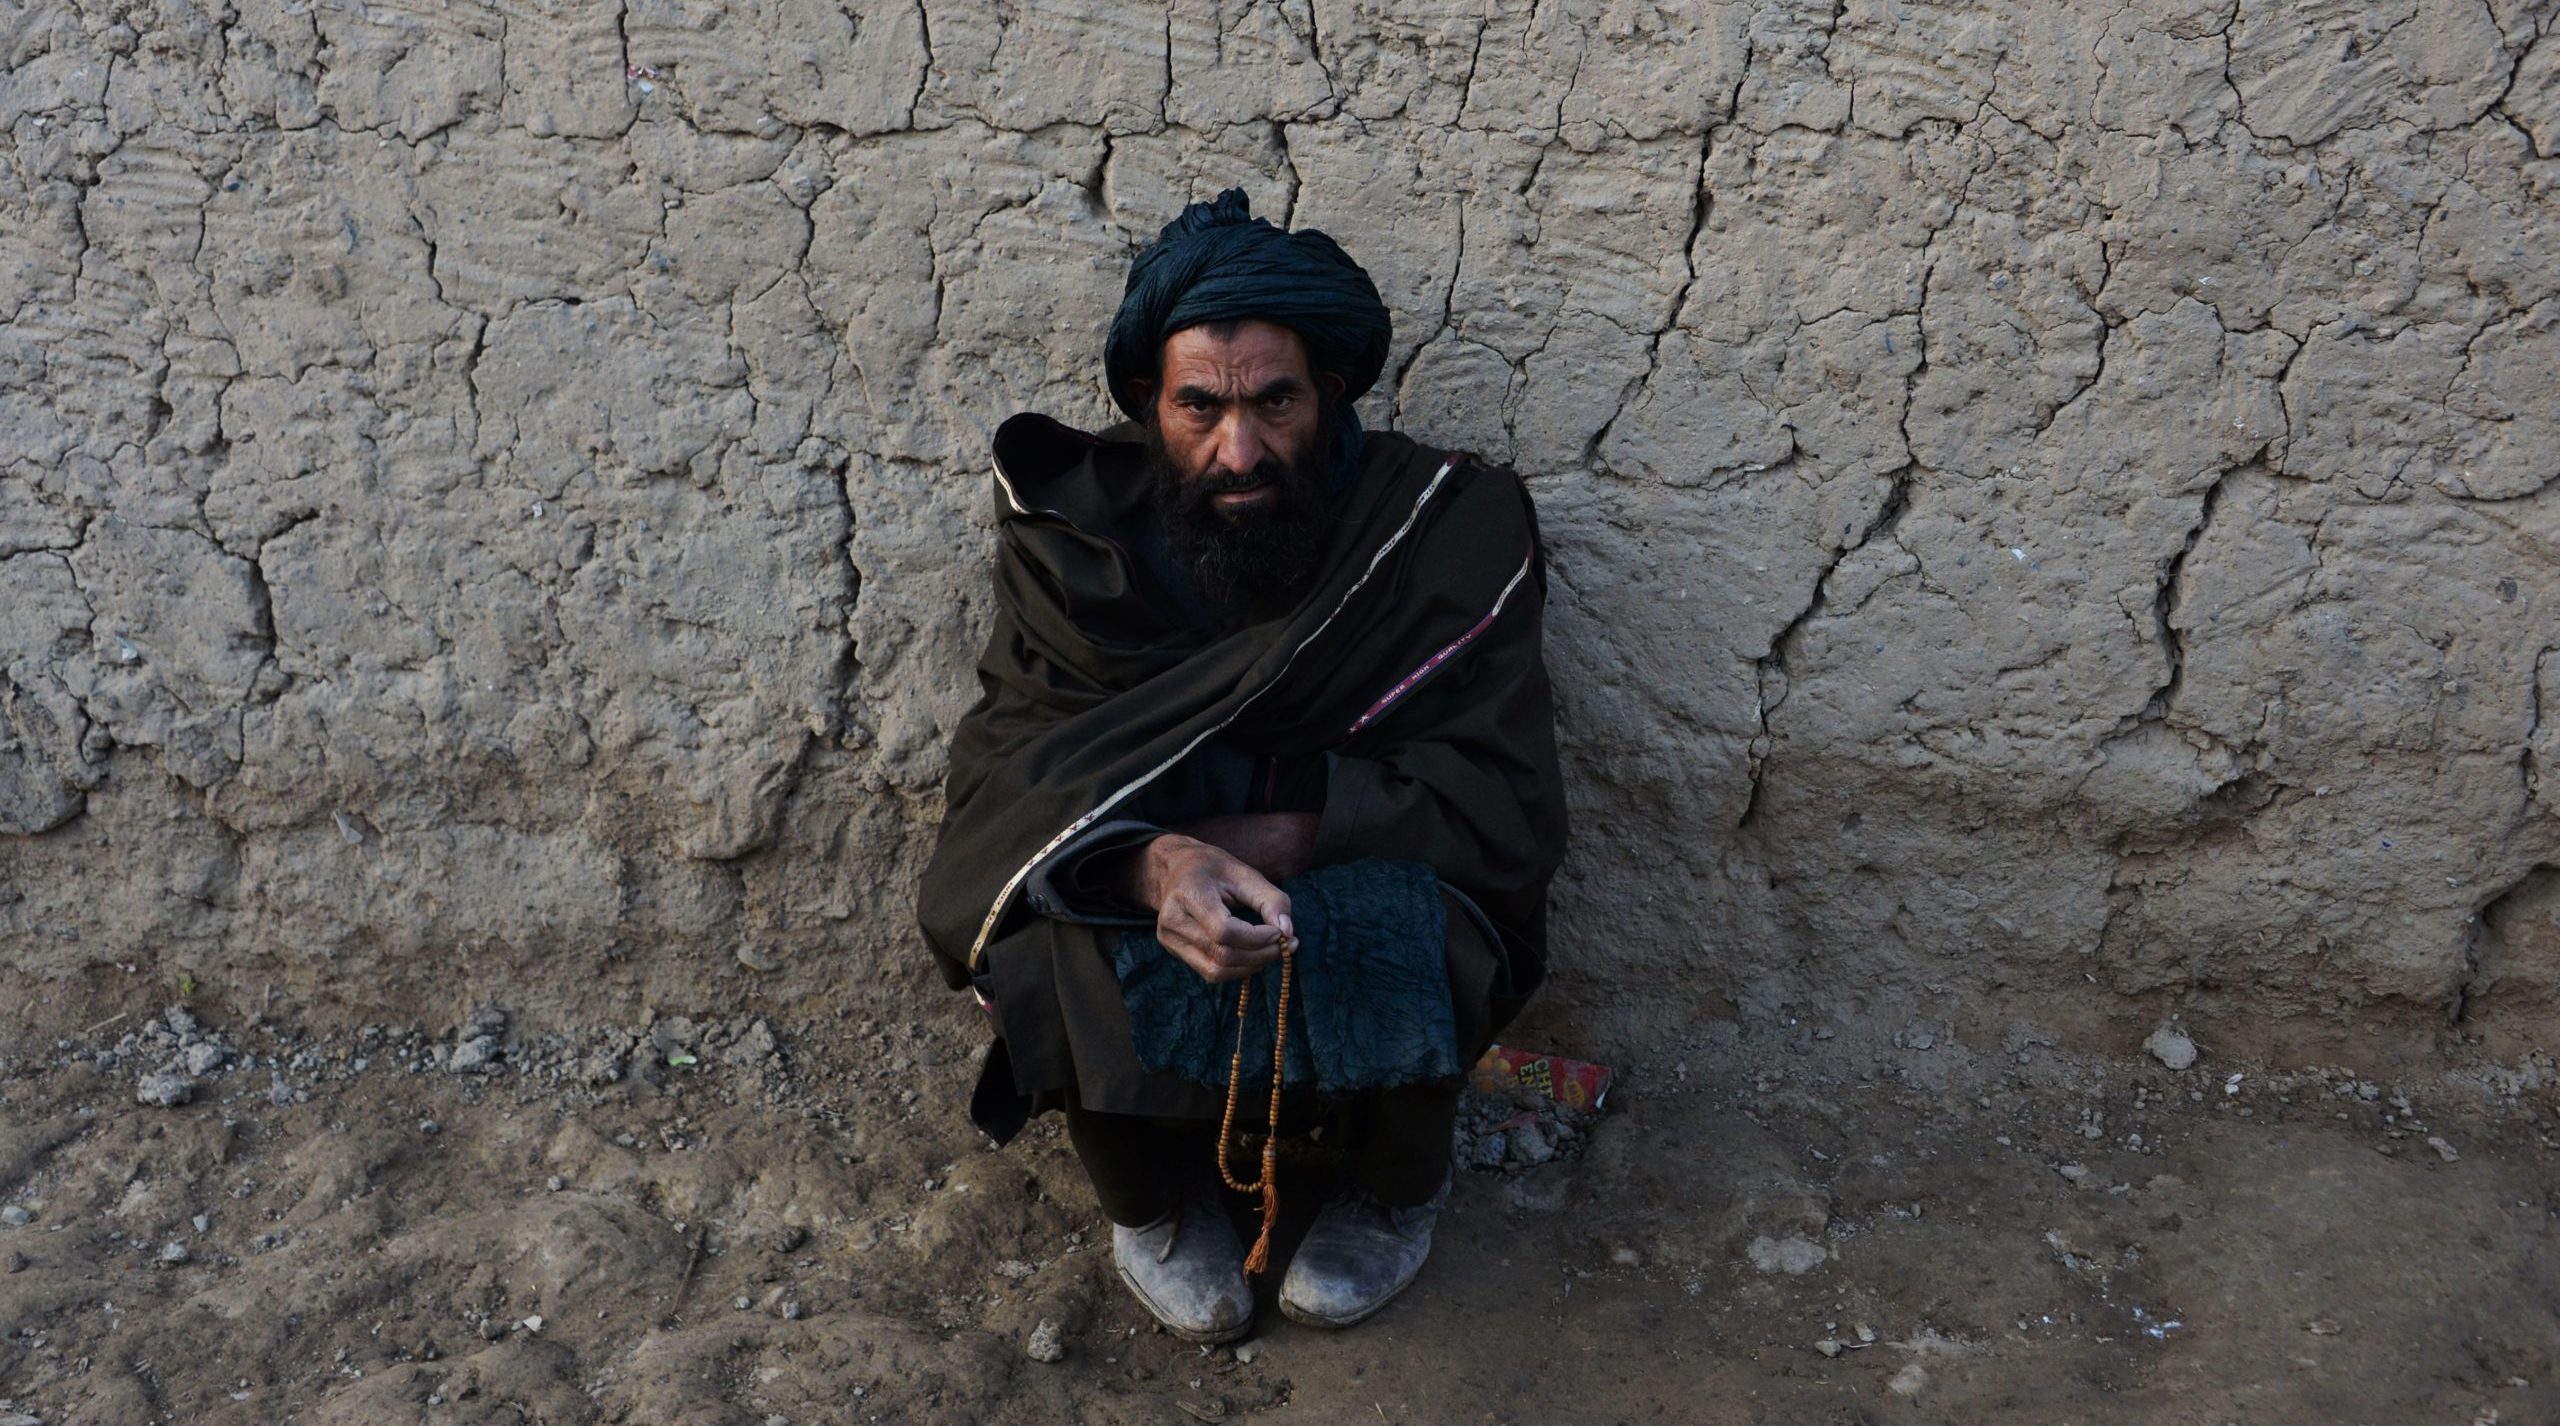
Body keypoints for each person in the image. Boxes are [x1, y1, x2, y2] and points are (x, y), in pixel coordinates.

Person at [917, 189, 1567, 1342]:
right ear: (1145, 403)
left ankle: (1393, 1189)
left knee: (1412, 913)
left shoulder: (1445, 526)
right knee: (1053, 911)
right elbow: (1012, 786)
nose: (1241, 449)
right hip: (1155, 862)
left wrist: (1278, 836)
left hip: (1358, 846)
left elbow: (1499, 800)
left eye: (1275, 401)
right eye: (1199, 407)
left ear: (1330, 393)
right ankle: (1153, 1204)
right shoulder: (1079, 547)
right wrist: (1158, 866)